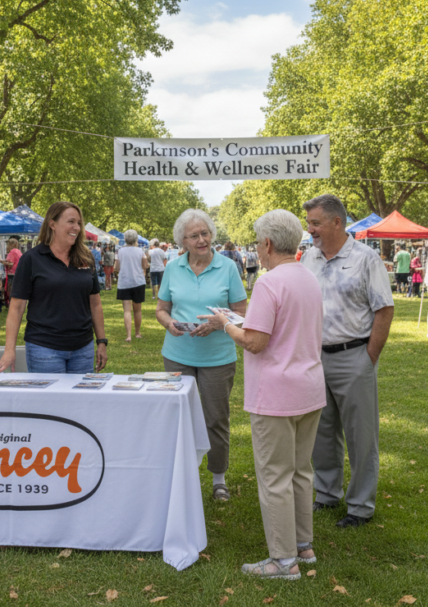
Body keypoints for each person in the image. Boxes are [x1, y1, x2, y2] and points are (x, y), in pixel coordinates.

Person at [208, 209, 325, 579]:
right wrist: (239, 324)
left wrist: (225, 323)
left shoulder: (269, 282)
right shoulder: (308, 277)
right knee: (300, 472)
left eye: (259, 243)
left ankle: (283, 560)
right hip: (309, 386)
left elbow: (255, 342)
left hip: (277, 394)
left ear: (269, 244)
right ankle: (303, 546)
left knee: (275, 477)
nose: (257, 249)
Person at [301, 194, 394, 529]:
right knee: (321, 432)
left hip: (354, 356)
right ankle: (327, 494)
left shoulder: (365, 258)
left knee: (361, 436)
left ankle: (360, 506)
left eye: (315, 223)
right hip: (315, 357)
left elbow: (384, 309)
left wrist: (368, 357)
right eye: (309, 223)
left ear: (337, 222)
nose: (310, 230)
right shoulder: (308, 258)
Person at [156, 208, 248, 501]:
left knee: (215, 419)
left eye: (205, 233)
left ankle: (218, 479)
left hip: (217, 357)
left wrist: (219, 323)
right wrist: (169, 323)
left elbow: (242, 312)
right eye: (194, 236)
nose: (201, 240)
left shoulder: (227, 267)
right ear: (182, 241)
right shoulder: (173, 267)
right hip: (177, 354)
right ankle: (182, 475)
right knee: (178, 417)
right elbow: (162, 309)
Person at [0, 201, 108, 373]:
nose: (77, 227)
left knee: (81, 393)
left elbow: (95, 303)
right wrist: (9, 351)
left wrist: (101, 342)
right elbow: (16, 308)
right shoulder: (31, 259)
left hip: (83, 349)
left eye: (79, 223)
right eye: (71, 221)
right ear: (52, 224)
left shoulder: (86, 258)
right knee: (49, 393)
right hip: (44, 349)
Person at [115, 230, 149, 341]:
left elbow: (117, 268)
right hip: (138, 282)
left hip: (124, 282)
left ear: (125, 239)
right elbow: (145, 266)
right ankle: (137, 333)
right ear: (136, 239)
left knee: (127, 310)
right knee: (137, 310)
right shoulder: (140, 251)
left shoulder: (120, 251)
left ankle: (128, 336)